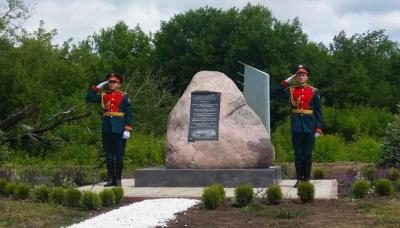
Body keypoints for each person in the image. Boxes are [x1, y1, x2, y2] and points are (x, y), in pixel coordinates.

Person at [275, 64, 323, 186]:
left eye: (303, 75)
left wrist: (318, 128)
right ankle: (299, 180)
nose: (301, 77)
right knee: (298, 153)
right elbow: (275, 92)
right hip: (296, 125)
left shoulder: (313, 91)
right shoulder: (292, 90)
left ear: (307, 77)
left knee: (307, 153)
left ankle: (306, 179)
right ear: (296, 77)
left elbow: (318, 112)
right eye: (299, 75)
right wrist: (286, 82)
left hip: (309, 126)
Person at [85, 72, 133, 186]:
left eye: (114, 82)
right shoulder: (104, 95)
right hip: (106, 128)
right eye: (110, 82)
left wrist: (127, 128)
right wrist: (98, 87)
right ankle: (111, 179)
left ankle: (118, 179)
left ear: (119, 84)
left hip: (119, 128)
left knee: (119, 154)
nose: (111, 84)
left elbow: (129, 113)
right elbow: (89, 97)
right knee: (109, 154)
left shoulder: (123, 96)